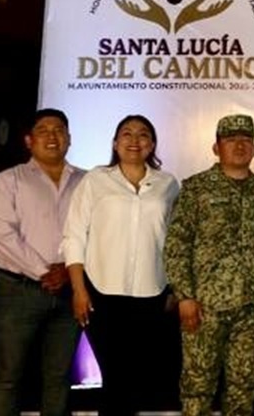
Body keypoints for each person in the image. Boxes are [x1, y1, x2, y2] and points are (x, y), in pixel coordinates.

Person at [166, 113, 254, 416]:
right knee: (198, 387)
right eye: (231, 139)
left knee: (243, 388)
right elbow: (177, 245)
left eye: (246, 140)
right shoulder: (196, 189)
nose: (239, 145)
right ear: (216, 147)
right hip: (204, 307)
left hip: (251, 307)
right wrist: (185, 296)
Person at [63, 113, 181, 416]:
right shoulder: (96, 180)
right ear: (115, 143)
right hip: (102, 292)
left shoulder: (168, 184)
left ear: (152, 144)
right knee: (114, 375)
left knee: (137, 377)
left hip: (151, 293)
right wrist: (78, 290)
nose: (134, 140)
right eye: (127, 134)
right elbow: (74, 234)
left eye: (143, 134)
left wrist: (175, 289)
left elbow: (176, 241)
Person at [0, 107, 85, 416]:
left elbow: (96, 233)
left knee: (59, 379)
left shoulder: (88, 181)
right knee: (7, 378)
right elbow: (2, 236)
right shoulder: (9, 180)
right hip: (20, 290)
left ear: (69, 138)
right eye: (43, 130)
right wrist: (44, 272)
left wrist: (67, 273)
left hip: (70, 292)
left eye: (59, 130)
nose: (52, 136)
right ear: (29, 140)